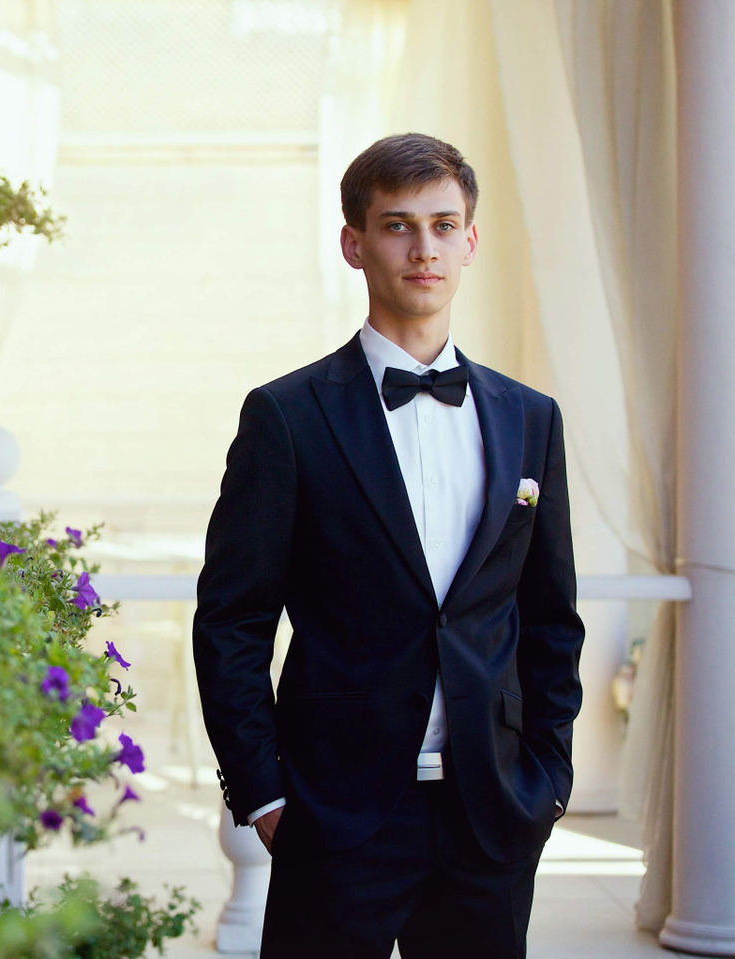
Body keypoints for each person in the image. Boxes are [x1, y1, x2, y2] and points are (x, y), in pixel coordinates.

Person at [192, 133, 583, 957]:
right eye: (398, 225)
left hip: (491, 812)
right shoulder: (287, 416)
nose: (424, 248)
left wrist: (548, 778)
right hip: (333, 813)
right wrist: (263, 794)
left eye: (444, 225)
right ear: (354, 244)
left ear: (470, 241)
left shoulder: (530, 418)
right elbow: (232, 619)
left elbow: (551, 617)